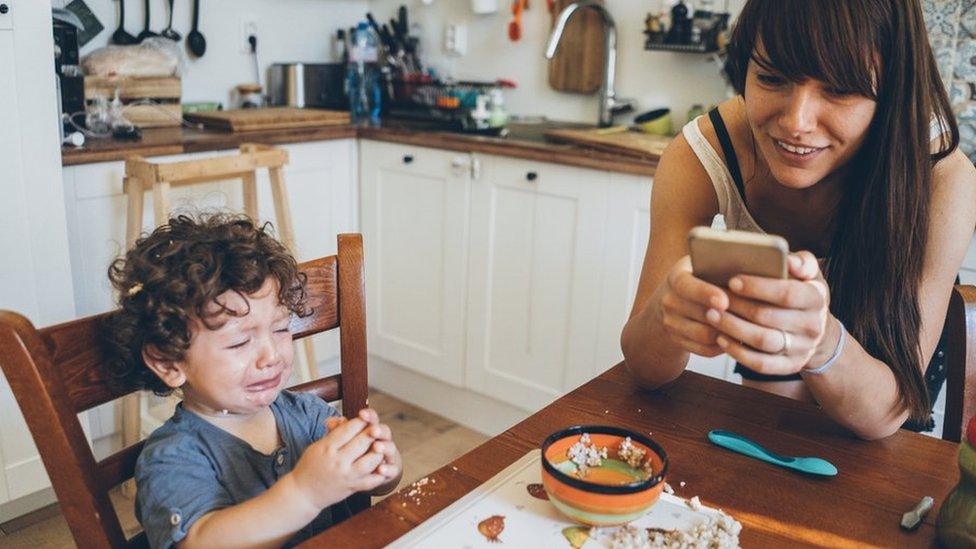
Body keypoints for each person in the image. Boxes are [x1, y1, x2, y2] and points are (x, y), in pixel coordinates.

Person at [621, 0, 976, 440]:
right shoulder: (703, 155)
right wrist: (667, 313)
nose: (796, 122)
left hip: (886, 372)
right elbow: (645, 370)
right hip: (777, 336)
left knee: (860, 461)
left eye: (840, 89)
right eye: (771, 78)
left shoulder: (941, 177)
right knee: (768, 437)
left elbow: (884, 412)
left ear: (891, 89)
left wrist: (822, 342)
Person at [104, 214, 402, 548]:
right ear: (168, 361)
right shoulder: (172, 457)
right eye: (239, 343)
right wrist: (305, 492)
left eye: (280, 329)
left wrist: (379, 467)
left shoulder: (308, 414)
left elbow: (369, 483)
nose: (271, 356)